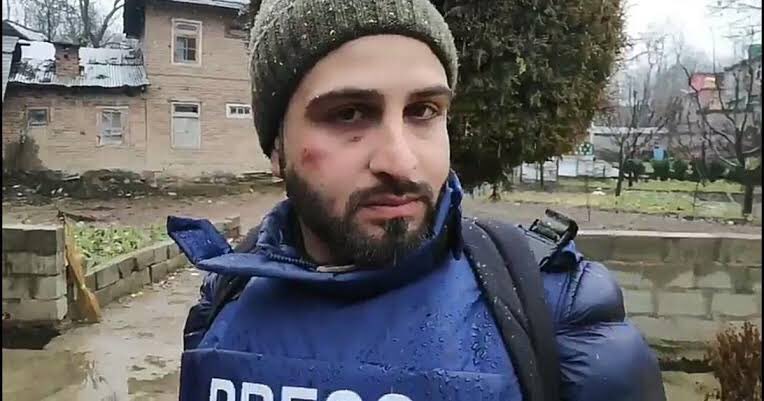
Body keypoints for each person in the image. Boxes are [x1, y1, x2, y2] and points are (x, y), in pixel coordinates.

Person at [170, 1, 667, 400]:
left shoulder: (552, 306)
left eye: (423, 111)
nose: (401, 162)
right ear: (276, 147)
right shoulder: (228, 296)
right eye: (348, 114)